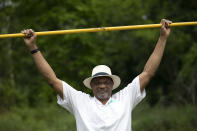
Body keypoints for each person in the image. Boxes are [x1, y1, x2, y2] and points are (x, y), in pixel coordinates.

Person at [22, 19, 172, 131]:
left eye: (106, 82)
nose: (102, 85)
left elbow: (148, 73)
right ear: (91, 85)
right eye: (97, 82)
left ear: (112, 84)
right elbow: (52, 80)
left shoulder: (125, 98)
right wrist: (33, 47)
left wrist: (162, 38)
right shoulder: (81, 101)